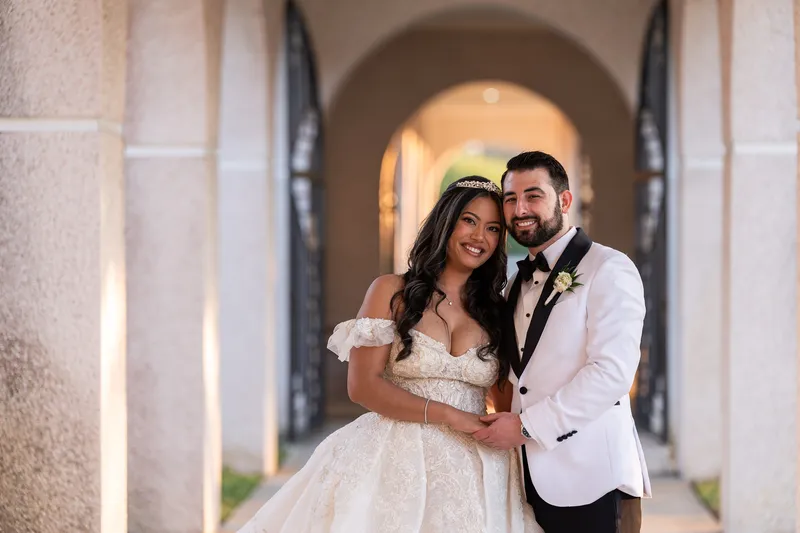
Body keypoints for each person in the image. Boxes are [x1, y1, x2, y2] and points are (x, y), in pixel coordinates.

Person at [236, 176, 543, 533]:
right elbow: (363, 386)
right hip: (393, 458)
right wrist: (447, 415)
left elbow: (505, 400)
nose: (479, 237)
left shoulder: (497, 309)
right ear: (446, 222)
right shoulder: (391, 291)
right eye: (469, 220)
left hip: (477, 466)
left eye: (492, 228)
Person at [473, 151, 651, 533]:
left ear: (565, 200)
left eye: (533, 195)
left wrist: (524, 427)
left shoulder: (609, 268)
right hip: (526, 481)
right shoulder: (513, 284)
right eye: (510, 199)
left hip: (594, 481)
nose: (520, 209)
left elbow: (611, 374)